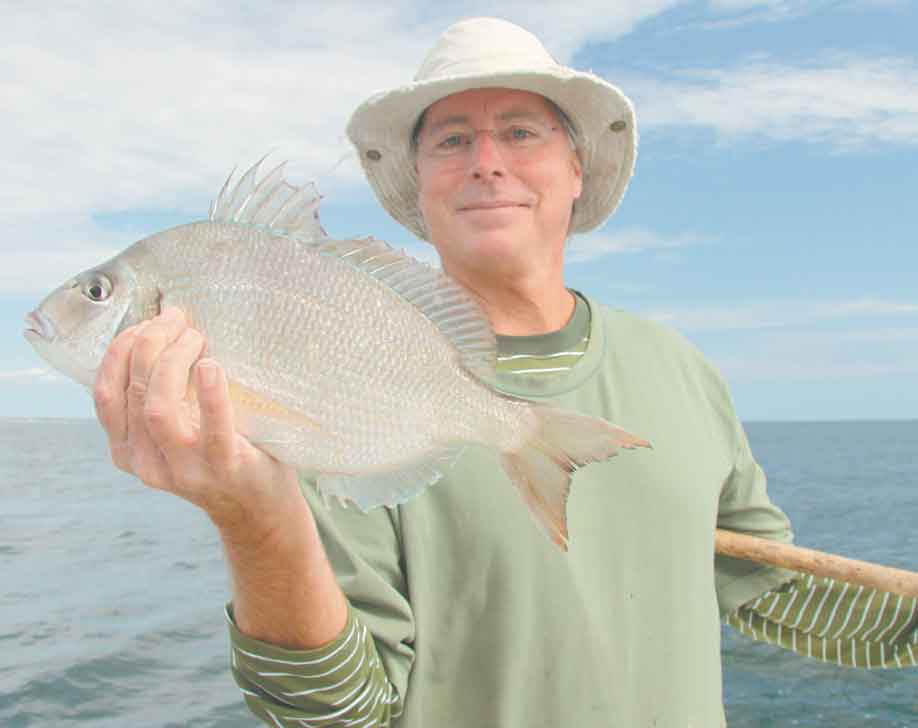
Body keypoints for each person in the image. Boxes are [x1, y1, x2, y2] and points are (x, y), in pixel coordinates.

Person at [93, 16, 917, 728]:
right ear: (419, 183)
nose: (487, 160)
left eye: (521, 132)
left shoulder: (680, 367)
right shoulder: (329, 404)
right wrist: (257, 521)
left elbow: (768, 586)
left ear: (576, 170)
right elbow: (338, 713)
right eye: (452, 140)